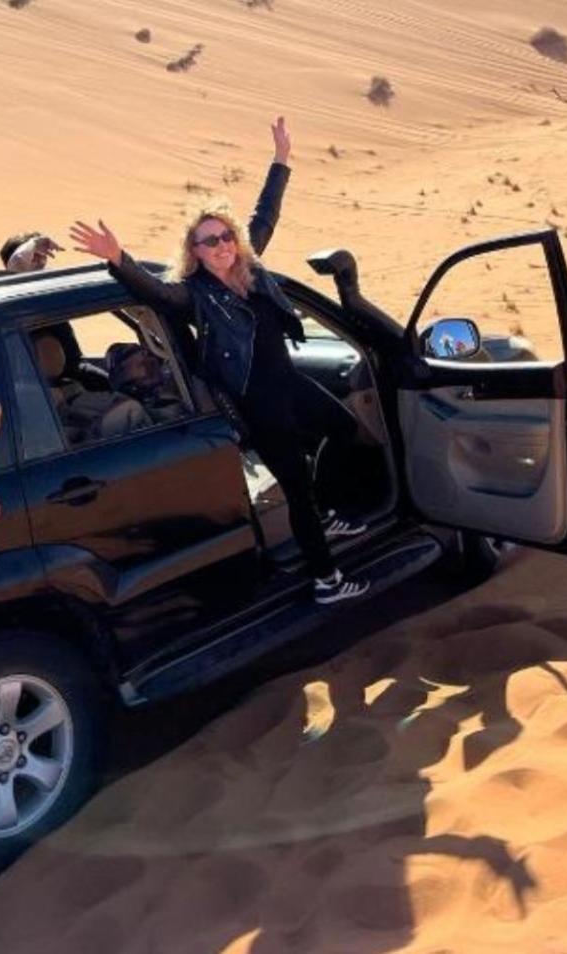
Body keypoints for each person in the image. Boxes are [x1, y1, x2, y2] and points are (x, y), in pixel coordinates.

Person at [70, 117, 370, 606]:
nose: (222, 245)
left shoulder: (250, 268)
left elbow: (265, 214)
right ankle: (327, 580)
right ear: (195, 252)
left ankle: (328, 512)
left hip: (288, 383)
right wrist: (117, 258)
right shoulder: (197, 296)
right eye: (209, 241)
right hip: (259, 402)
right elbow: (159, 295)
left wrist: (281, 160)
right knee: (295, 487)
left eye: (225, 235)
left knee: (342, 427)